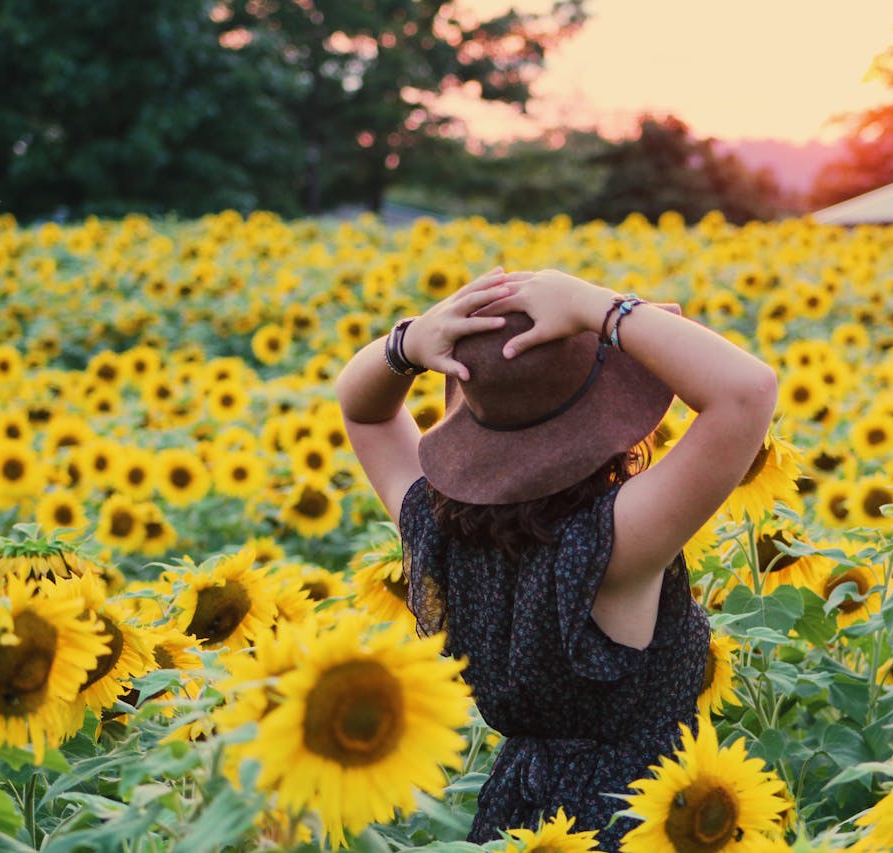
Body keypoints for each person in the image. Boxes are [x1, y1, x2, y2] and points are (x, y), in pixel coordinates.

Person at [334, 266, 779, 848]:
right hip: (648, 822)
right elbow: (747, 392)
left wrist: (407, 344)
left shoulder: (433, 524)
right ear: (604, 416)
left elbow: (363, 411)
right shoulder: (611, 542)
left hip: (518, 824)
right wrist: (600, 308)